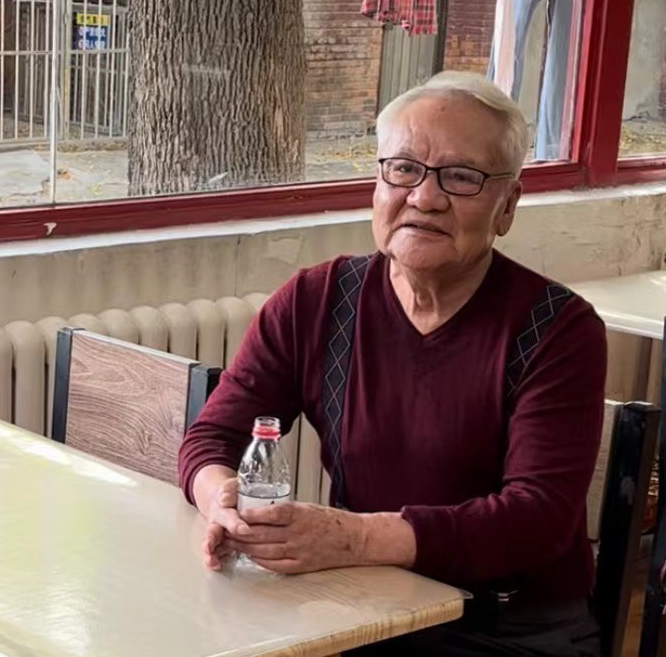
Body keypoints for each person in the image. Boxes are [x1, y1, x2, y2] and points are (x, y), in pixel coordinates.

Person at [177, 70, 606, 656]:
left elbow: (536, 519)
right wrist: (222, 503)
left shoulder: (559, 329)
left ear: (507, 206)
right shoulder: (315, 301)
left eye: (462, 177)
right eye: (404, 168)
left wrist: (353, 539)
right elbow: (211, 438)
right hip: (366, 600)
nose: (425, 197)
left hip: (508, 627)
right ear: (377, 185)